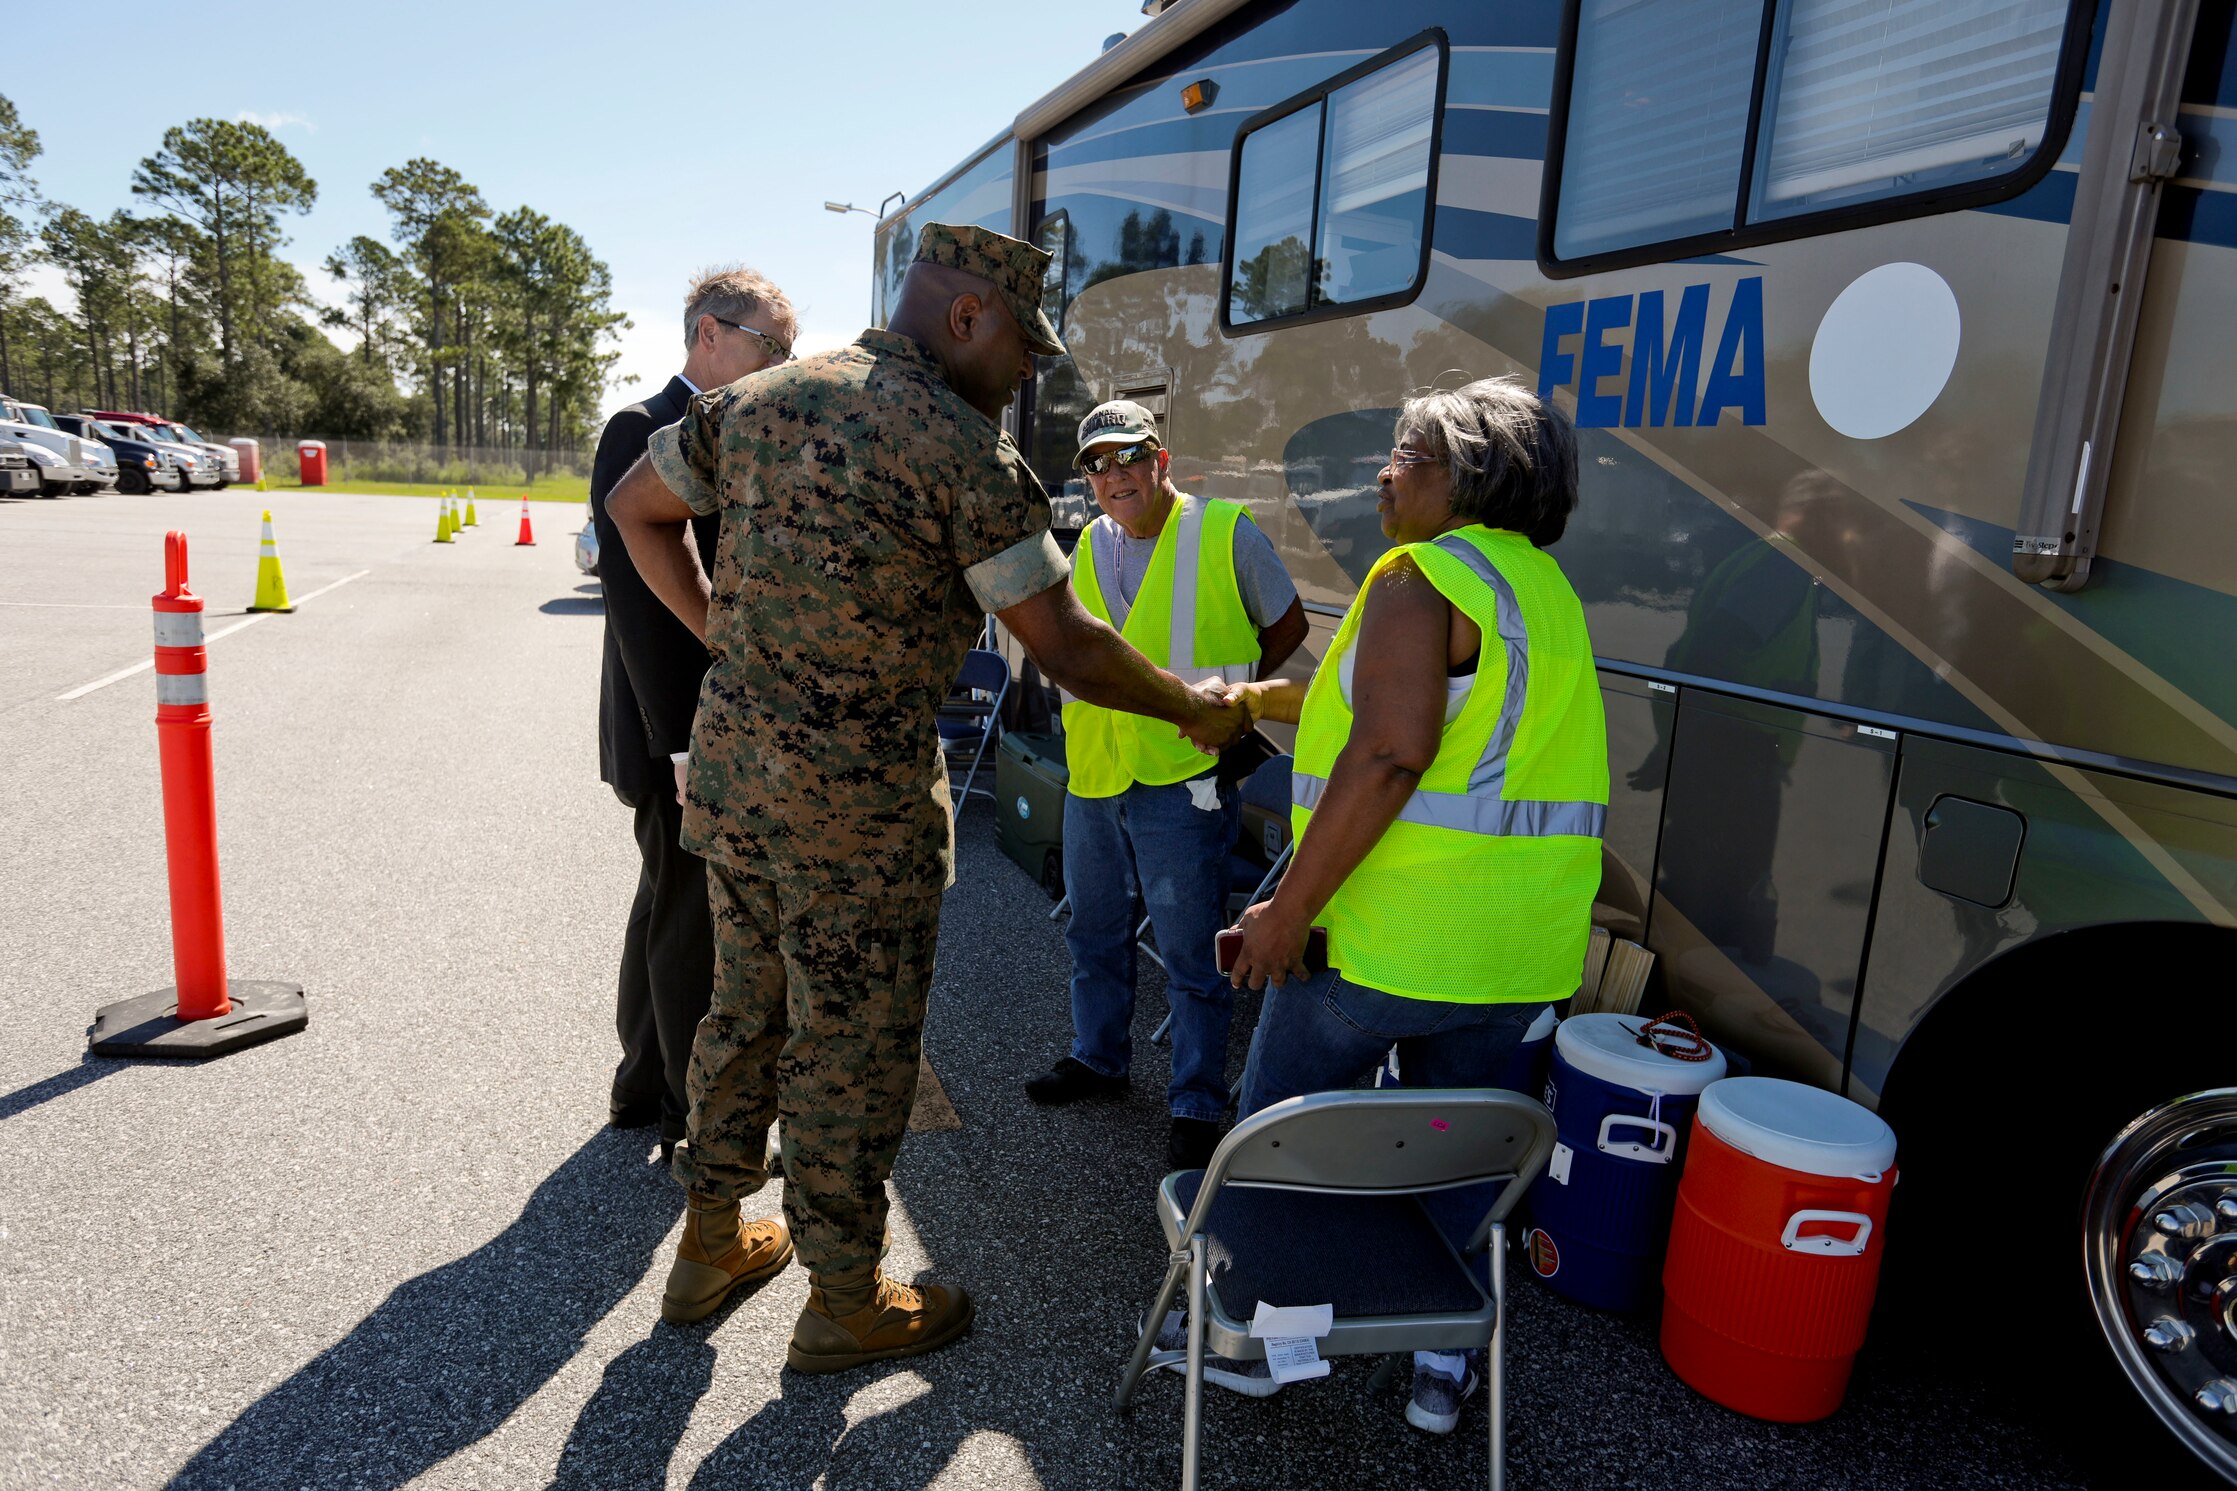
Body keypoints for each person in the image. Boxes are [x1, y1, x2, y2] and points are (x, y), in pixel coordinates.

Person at [605, 223, 1247, 1371]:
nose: (1025, 373)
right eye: (1019, 346)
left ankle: (709, 1240)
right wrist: (1192, 710)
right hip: (858, 815)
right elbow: (1068, 647)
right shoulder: (959, 452)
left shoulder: (756, 404)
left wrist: (729, 650)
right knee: (853, 1045)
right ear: (965, 317)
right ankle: (843, 1297)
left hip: (743, 785)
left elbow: (633, 512)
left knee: (741, 1011)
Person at [1220, 376, 1607, 1429]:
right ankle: (1443, 1365)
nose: (1383, 475)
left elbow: (1391, 751)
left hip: (1383, 952)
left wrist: (1282, 910)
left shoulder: (1416, 578)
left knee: (1278, 1150)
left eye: (1406, 455)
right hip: (1515, 960)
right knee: (1458, 1157)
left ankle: (1262, 1335)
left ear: (1466, 479)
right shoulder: (1546, 594)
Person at [1022, 401, 1306, 1169]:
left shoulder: (1225, 531)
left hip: (1183, 779)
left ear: (1162, 459)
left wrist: (1238, 692)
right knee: (1092, 929)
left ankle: (1194, 1099)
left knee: (1187, 953)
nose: (1113, 475)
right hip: (1097, 770)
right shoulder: (1086, 545)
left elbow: (1286, 628)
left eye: (1128, 456)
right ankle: (1098, 1056)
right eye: (1096, 463)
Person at [593, 266, 796, 1164]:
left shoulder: (728, 428)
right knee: (690, 918)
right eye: (770, 346)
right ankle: (686, 1112)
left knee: (661, 899)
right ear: (709, 334)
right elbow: (641, 608)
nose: (779, 365)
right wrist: (679, 741)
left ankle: (640, 1082)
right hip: (672, 725)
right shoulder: (645, 429)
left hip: (680, 727)